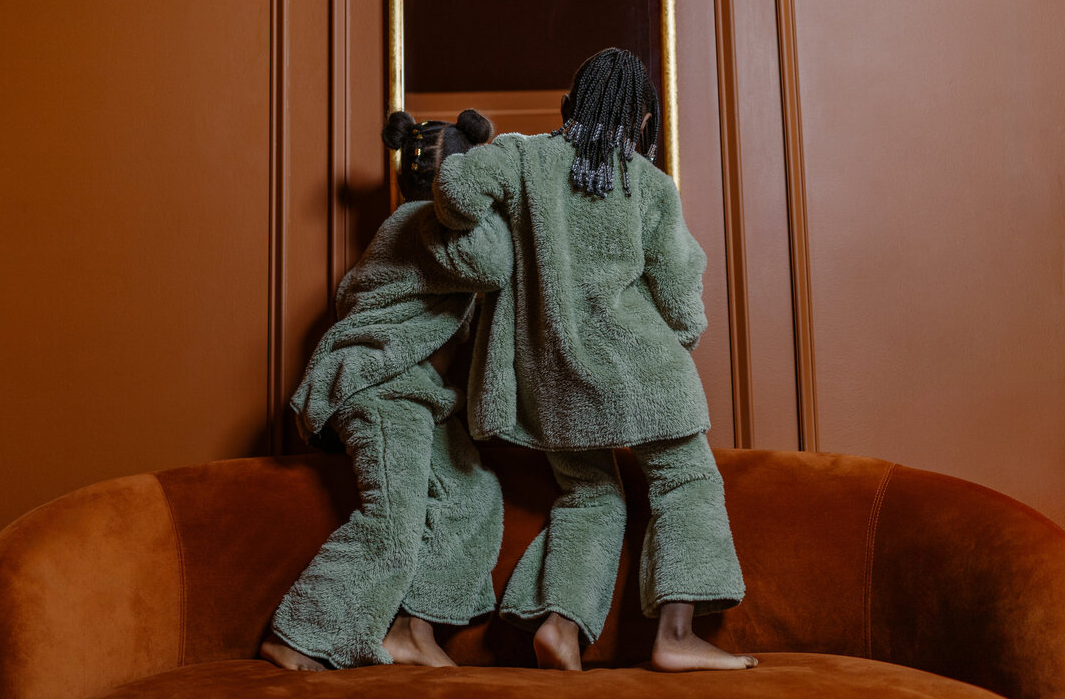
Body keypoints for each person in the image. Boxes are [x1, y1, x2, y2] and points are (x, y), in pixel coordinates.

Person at [432, 49, 757, 672]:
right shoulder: (648, 183)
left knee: (591, 495)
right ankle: (677, 635)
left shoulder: (524, 157)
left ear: (573, 101)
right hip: (644, 368)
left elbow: (456, 192)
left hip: (552, 381)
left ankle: (560, 625)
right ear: (639, 117)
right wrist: (679, 340)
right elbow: (679, 290)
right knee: (687, 482)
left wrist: (496, 235)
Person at [261, 110, 510, 670]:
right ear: (459, 182)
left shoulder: (418, 224)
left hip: (417, 394)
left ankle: (412, 628)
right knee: (391, 524)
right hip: (377, 386)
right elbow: (495, 264)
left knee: (473, 497)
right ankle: (300, 634)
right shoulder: (423, 222)